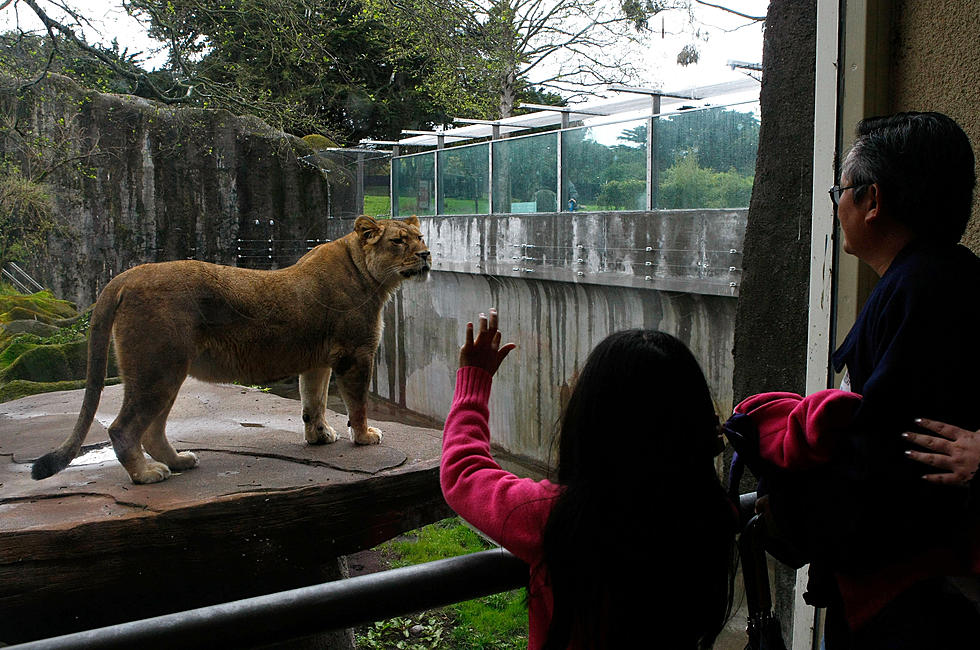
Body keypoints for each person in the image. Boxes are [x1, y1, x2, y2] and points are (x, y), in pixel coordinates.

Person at [726, 111, 980, 648]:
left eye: (841, 190)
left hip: (902, 600)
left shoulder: (919, 293)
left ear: (873, 201)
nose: (837, 205)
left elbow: (880, 454)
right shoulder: (945, 279)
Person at [441, 309, 738, 649]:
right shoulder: (713, 515)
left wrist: (474, 380)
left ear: (591, 423)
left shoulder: (556, 516)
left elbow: (463, 472)